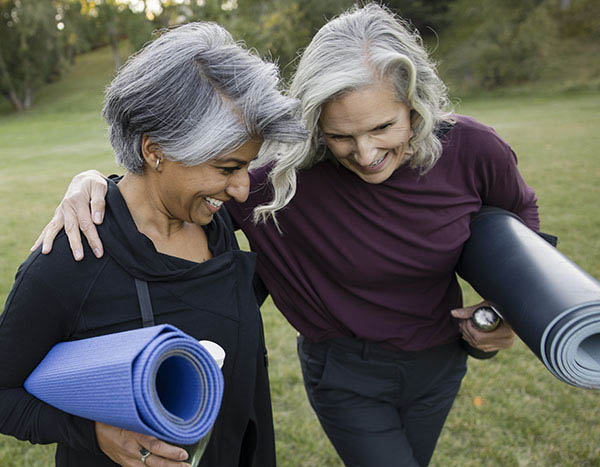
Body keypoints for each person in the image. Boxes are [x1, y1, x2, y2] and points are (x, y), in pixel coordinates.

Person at [33, 4, 535, 466]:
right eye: (340, 135)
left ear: (414, 104)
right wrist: (97, 183)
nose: (364, 153)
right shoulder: (275, 183)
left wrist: (512, 304)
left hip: (440, 363)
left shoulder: (473, 150)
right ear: (314, 123)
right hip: (346, 374)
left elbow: (519, 217)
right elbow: (171, 193)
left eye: (383, 126)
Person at [0, 21, 306, 467]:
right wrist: (91, 433)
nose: (242, 189)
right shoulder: (73, 259)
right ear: (154, 150)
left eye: (247, 166)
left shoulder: (215, 224)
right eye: (226, 168)